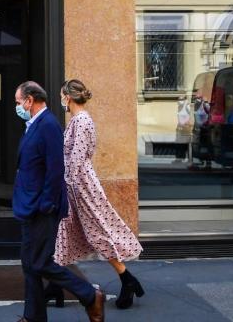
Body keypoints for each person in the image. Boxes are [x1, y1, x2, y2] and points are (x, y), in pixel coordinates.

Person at [13, 81, 105, 322]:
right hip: (29, 206)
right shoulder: (33, 125)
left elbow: (56, 170)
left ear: (29, 100)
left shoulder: (48, 125)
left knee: (40, 262)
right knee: (29, 264)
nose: (17, 106)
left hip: (42, 208)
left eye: (17, 101)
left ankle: (89, 295)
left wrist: (46, 204)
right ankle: (33, 317)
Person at [51, 79, 145, 310]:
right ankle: (54, 285)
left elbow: (77, 160)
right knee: (65, 233)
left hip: (80, 188)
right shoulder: (77, 120)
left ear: (69, 97)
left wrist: (65, 186)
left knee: (98, 234)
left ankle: (127, 279)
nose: (61, 99)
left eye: (62, 95)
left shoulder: (82, 121)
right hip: (74, 186)